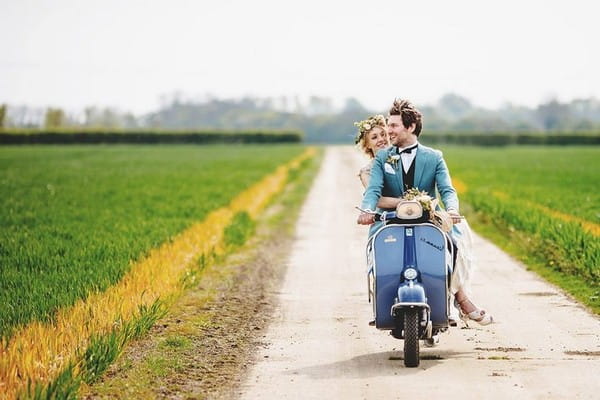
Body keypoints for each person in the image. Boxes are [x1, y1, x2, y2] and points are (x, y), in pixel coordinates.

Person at [356, 99, 492, 325]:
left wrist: (451, 209)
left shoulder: (434, 157)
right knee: (379, 250)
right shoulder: (382, 158)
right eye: (387, 126)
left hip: (429, 219)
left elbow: (447, 190)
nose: (388, 132)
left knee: (452, 245)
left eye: (393, 126)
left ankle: (455, 297)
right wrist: (367, 210)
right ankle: (384, 300)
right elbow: (373, 191)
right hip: (390, 221)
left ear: (410, 128)